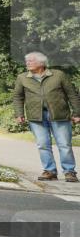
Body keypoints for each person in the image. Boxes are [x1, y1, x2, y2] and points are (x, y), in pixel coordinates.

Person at [14, 51, 80, 182]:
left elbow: (72, 94)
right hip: (36, 116)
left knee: (64, 144)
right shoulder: (22, 78)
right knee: (43, 144)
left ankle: (69, 172)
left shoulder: (58, 75)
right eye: (27, 61)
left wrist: (77, 113)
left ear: (41, 63)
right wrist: (19, 114)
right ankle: (49, 171)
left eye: (31, 61)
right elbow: (18, 97)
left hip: (59, 115)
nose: (27, 63)